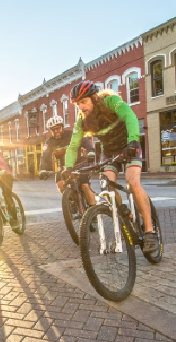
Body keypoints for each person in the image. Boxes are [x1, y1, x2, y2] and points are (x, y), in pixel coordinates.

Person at [63, 80, 158, 253]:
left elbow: (130, 116)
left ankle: (150, 231)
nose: (81, 107)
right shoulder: (82, 120)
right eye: (78, 104)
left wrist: (134, 140)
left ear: (94, 98)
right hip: (109, 151)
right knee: (107, 188)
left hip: (129, 146)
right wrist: (68, 167)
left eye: (83, 102)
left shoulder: (111, 102)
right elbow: (73, 145)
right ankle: (123, 212)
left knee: (132, 183)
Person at [37, 115, 96, 207]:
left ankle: (93, 210)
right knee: (60, 185)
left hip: (80, 164)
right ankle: (72, 201)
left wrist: (90, 152)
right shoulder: (50, 142)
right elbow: (45, 157)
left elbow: (85, 142)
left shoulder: (72, 135)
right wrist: (42, 170)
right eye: (53, 129)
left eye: (58, 128)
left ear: (62, 127)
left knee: (85, 186)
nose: (56, 131)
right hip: (63, 167)